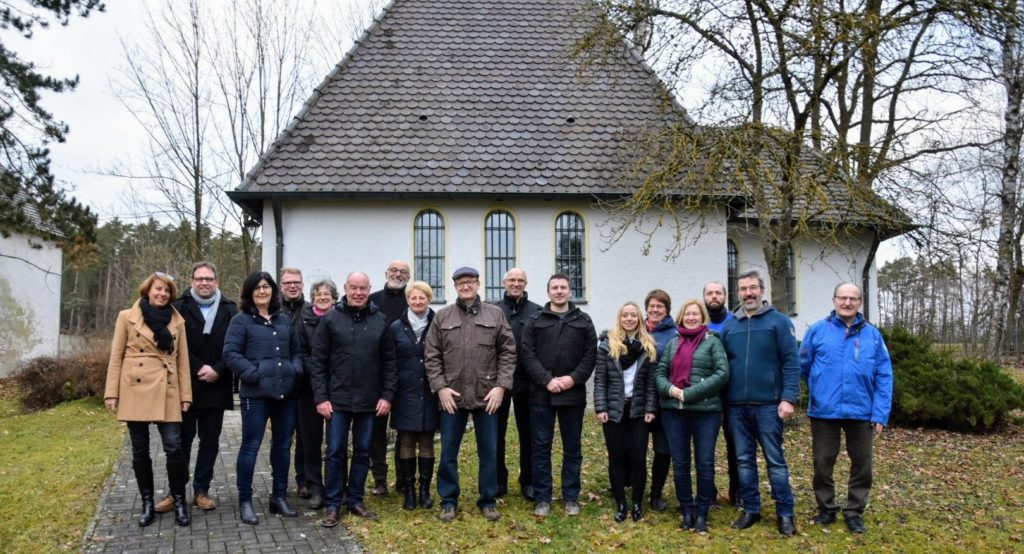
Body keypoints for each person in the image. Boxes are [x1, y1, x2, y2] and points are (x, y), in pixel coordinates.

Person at [800, 283, 893, 534]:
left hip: (861, 411)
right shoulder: (818, 331)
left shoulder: (872, 335)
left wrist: (880, 413)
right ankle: (826, 508)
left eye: (853, 299)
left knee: (862, 464)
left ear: (860, 303)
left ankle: (854, 511)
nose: (847, 303)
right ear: (834, 300)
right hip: (824, 410)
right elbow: (803, 365)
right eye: (843, 298)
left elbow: (884, 375)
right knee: (822, 462)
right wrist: (818, 390)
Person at [424, 266, 516, 522]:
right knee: (448, 452)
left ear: (478, 284)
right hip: (452, 396)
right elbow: (431, 356)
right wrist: (440, 388)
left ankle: (487, 499)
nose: (466, 286)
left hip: (487, 395)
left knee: (489, 451)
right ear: (455, 286)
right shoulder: (443, 317)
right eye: (461, 282)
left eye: (471, 282)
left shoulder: (495, 314)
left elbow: (508, 352)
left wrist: (500, 386)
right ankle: (448, 500)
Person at [104, 272, 193, 527]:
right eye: (158, 289)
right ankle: (146, 502)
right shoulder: (127, 317)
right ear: (147, 290)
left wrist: (186, 395)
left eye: (167, 291)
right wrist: (111, 392)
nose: (162, 294)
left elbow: (183, 361)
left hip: (167, 387)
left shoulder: (177, 321)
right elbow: (116, 356)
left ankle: (178, 500)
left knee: (174, 448)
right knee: (140, 449)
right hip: (135, 387)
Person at [309, 272, 397, 527]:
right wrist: (321, 398)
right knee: (335, 451)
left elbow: (390, 363)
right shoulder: (330, 319)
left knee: (362, 452)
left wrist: (387, 396)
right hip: (337, 400)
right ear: (346, 288)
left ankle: (355, 500)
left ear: (370, 289)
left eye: (363, 288)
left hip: (370, 401)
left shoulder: (380, 320)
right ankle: (333, 504)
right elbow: (318, 362)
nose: (358, 293)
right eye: (354, 288)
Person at [719, 270, 800, 536]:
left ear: (761, 290)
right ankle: (751, 509)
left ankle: (785, 513)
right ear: (738, 293)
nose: (748, 293)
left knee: (775, 461)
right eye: (743, 289)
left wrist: (788, 398)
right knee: (743, 460)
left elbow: (791, 362)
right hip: (735, 406)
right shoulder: (730, 326)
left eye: (752, 288)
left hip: (769, 405)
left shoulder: (779, 322)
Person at [223, 271, 303, 525]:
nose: (262, 291)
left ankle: (278, 496)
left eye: (266, 287)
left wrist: (294, 370)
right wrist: (253, 374)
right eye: (257, 287)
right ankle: (245, 500)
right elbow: (231, 353)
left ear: (273, 291)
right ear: (249, 292)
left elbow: (297, 352)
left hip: (285, 394)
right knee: (251, 446)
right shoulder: (241, 320)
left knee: (282, 446)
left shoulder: (284, 319)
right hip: (255, 395)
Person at [522, 273, 597, 517]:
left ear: (570, 291)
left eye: (563, 287)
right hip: (541, 396)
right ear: (548, 292)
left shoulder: (584, 321)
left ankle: (570, 497)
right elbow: (527, 354)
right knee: (540, 448)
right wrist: (547, 380)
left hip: (572, 396)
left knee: (572, 448)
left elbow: (590, 355)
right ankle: (543, 497)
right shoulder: (535, 321)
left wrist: (572, 378)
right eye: (554, 287)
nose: (559, 291)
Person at [167, 261, 237, 514]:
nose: (204, 283)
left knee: (210, 441)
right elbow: (175, 344)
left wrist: (218, 368)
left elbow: (235, 344)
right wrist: (198, 367)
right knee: (181, 441)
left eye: (209, 278)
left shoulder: (230, 309)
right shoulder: (178, 306)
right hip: (186, 383)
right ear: (192, 280)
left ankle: (201, 490)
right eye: (199, 279)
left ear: (216, 281)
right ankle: (175, 491)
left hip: (217, 384)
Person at [654, 299, 729, 533]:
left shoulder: (712, 342)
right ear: (681, 317)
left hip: (706, 413)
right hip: (674, 412)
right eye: (688, 314)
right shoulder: (674, 342)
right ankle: (686, 509)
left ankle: (702, 512)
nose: (692, 317)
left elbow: (722, 373)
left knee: (705, 463)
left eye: (696, 314)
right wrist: (670, 390)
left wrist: (690, 394)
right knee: (680, 463)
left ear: (703, 317)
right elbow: (660, 372)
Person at [594, 301, 657, 523]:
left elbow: (651, 383)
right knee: (617, 458)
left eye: (633, 315)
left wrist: (651, 408)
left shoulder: (648, 346)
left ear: (639, 318)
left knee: (638, 458)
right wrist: (600, 407)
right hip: (613, 409)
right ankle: (621, 503)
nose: (629, 319)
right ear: (619, 319)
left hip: (639, 410)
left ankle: (637, 504)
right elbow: (600, 380)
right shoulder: (607, 345)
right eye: (625, 315)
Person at [492, 267, 542, 500]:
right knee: (496, 432)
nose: (516, 283)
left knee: (528, 432)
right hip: (498, 381)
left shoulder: (537, 311)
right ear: (504, 282)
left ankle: (528, 481)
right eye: (512, 280)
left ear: (526, 283)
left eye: (520, 280)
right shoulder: (493, 311)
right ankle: (498, 479)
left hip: (527, 380)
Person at [389, 281, 439, 510]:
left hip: (430, 391)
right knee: (407, 442)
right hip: (404, 392)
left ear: (429, 299)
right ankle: (408, 490)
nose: (417, 302)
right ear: (408, 300)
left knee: (427, 442)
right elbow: (389, 362)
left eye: (422, 298)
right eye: (413, 298)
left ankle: (425, 490)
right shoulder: (396, 327)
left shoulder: (437, 324)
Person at [295, 278, 339, 510]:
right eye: (319, 294)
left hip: (337, 389)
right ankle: (315, 488)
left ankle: (335, 487)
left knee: (335, 443)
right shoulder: (303, 320)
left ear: (334, 298)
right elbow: (300, 352)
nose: (323, 297)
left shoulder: (340, 318)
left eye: (327, 294)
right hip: (308, 389)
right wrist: (318, 369)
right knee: (310, 440)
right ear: (313, 298)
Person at [367, 260, 410, 496]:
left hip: (404, 375)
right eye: (394, 271)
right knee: (377, 431)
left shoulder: (412, 300)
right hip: (377, 375)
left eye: (403, 272)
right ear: (386, 273)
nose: (398, 274)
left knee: (404, 429)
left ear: (408, 277)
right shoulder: (372, 300)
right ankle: (380, 479)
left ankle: (403, 478)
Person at [704, 281, 739, 507]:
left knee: (736, 446)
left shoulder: (734, 323)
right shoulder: (698, 322)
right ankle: (709, 492)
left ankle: (737, 492)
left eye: (718, 293)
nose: (714, 296)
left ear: (725, 297)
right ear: (704, 298)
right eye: (710, 293)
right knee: (705, 447)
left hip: (733, 395)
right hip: (706, 396)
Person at [279, 267, 311, 499]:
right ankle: (279, 481)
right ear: (281, 286)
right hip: (278, 384)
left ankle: (304, 480)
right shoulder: (272, 311)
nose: (293, 286)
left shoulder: (310, 311)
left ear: (302, 284)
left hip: (304, 384)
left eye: (296, 282)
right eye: (288, 282)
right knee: (281, 437)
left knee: (304, 436)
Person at [643, 289, 675, 512]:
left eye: (660, 307)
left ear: (667, 310)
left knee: (663, 450)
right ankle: (631, 483)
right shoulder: (636, 328)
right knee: (633, 446)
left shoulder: (675, 334)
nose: (655, 310)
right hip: (640, 398)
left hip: (664, 401)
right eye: (652, 306)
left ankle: (656, 493)